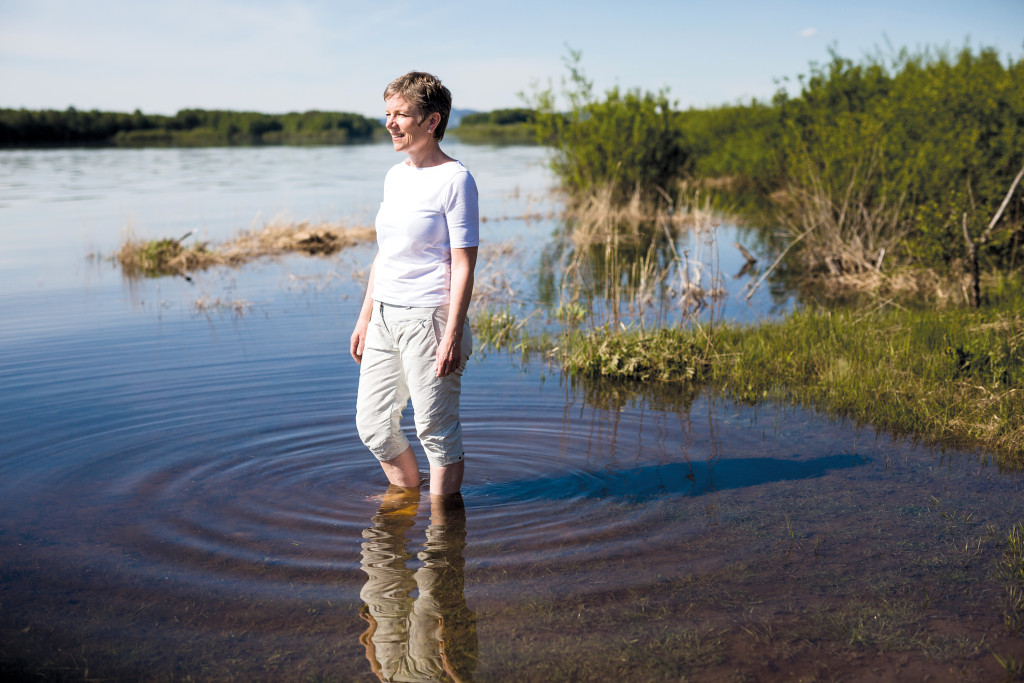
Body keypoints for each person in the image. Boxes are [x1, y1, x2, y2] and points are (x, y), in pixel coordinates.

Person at [350, 71, 478, 496]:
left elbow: (463, 265)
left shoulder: (456, 180)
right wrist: (366, 316)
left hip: (430, 319)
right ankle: (407, 501)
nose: (390, 123)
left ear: (432, 121)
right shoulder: (394, 175)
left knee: (435, 431)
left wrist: (452, 335)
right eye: (388, 113)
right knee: (373, 425)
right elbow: (385, 253)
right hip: (385, 315)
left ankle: (443, 539)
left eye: (401, 114)